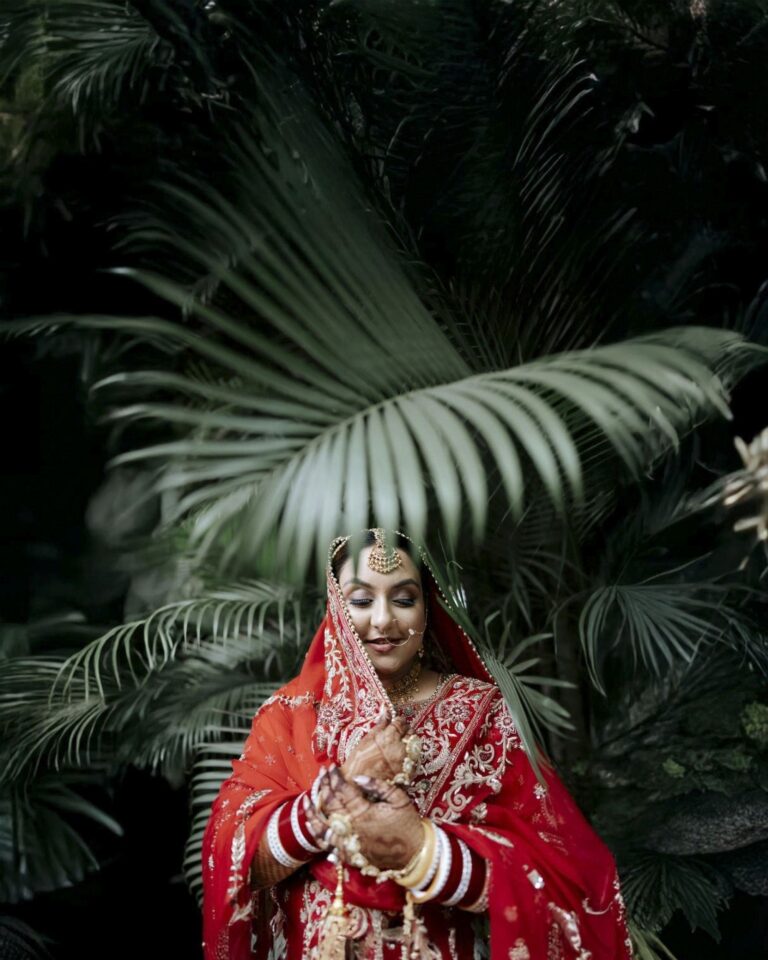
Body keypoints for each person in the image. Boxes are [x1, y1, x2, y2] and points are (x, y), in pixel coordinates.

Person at [201, 528, 635, 960]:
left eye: (404, 599)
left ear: (428, 611)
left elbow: (563, 876)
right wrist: (329, 802)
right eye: (361, 601)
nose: (383, 620)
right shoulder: (291, 713)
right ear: (336, 608)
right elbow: (234, 856)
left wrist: (424, 851)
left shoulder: (483, 714)